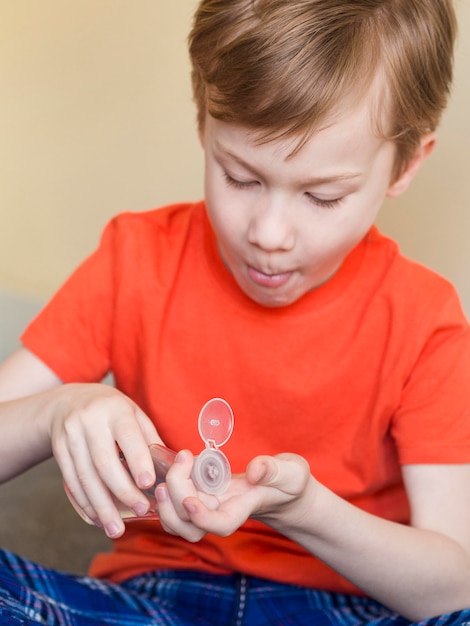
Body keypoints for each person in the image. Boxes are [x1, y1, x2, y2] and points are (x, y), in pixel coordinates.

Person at [0, 0, 469, 624]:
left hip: (350, 609)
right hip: (150, 603)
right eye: (240, 177)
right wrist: (53, 413)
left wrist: (306, 511)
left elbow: (455, 586)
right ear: (203, 121)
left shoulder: (424, 320)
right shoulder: (137, 259)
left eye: (322, 197)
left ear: (407, 164)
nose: (269, 233)